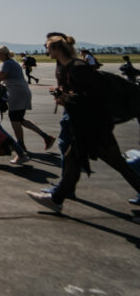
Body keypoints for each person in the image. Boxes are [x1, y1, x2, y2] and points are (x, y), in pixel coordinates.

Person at [28, 34, 140, 212]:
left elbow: (96, 97)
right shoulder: (68, 67)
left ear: (57, 49)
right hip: (86, 125)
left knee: (115, 164)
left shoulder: (78, 67)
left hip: (94, 126)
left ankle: (56, 199)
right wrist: (64, 94)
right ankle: (57, 199)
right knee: (76, 160)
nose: (45, 49)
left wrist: (68, 97)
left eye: (47, 47)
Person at [0, 45, 54, 153]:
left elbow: (0, 77)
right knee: (20, 119)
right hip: (22, 91)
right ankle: (46, 137)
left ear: (2, 53)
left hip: (17, 93)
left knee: (14, 118)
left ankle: (20, 144)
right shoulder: (12, 62)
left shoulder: (7, 63)